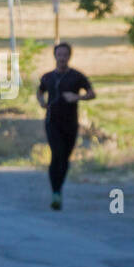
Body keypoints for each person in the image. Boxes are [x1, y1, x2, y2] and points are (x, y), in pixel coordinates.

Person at [36, 42, 95, 210]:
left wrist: (77, 98)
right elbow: (40, 91)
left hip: (70, 122)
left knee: (65, 158)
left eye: (65, 55)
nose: (62, 58)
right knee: (57, 154)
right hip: (52, 121)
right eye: (59, 54)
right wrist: (41, 102)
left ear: (69, 56)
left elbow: (92, 93)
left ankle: (58, 189)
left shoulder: (77, 76)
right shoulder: (47, 77)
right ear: (55, 56)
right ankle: (55, 192)